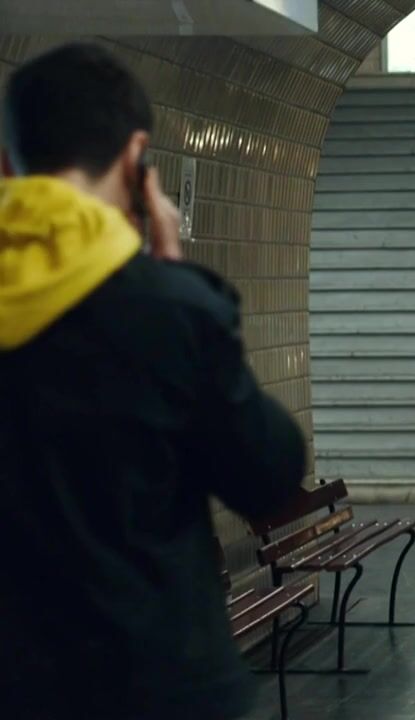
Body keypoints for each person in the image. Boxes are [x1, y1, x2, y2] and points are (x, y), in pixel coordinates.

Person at [0, 43, 306, 720]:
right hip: (160, 685)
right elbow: (268, 475)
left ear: (8, 163)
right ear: (136, 157)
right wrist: (180, 279)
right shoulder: (170, 310)